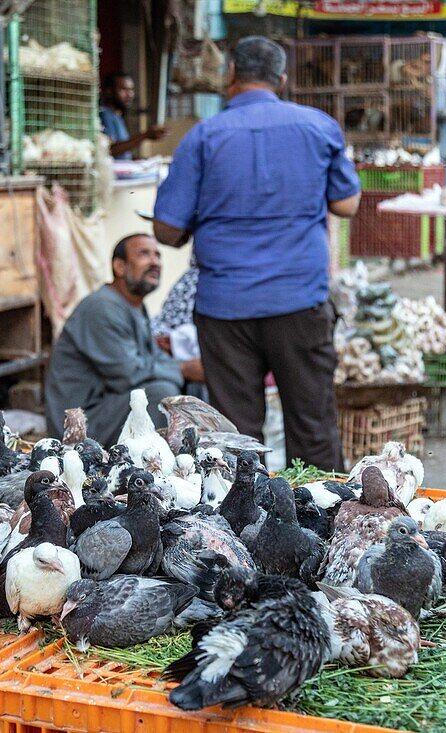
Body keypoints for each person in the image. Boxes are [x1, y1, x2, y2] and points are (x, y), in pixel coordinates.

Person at [152, 35, 361, 471]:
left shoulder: (202, 137)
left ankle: (240, 529)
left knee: (235, 434)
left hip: (226, 309)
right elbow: (346, 204)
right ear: (281, 79)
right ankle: (322, 525)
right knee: (313, 426)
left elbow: (167, 230)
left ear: (231, 74)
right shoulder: (318, 126)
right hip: (299, 302)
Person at [44, 234, 204, 444]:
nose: (155, 262)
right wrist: (183, 369)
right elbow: (127, 374)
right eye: (143, 254)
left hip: (110, 406)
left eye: (157, 255)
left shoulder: (135, 306)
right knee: (160, 395)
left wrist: (188, 371)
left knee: (193, 387)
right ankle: (148, 468)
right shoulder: (102, 307)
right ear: (120, 267)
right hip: (80, 425)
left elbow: (155, 357)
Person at [99, 71, 166, 160]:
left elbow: (122, 156)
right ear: (109, 91)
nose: (129, 94)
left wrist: (144, 161)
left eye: (131, 90)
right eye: (124, 89)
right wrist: (145, 135)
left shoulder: (117, 116)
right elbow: (110, 150)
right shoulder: (105, 115)